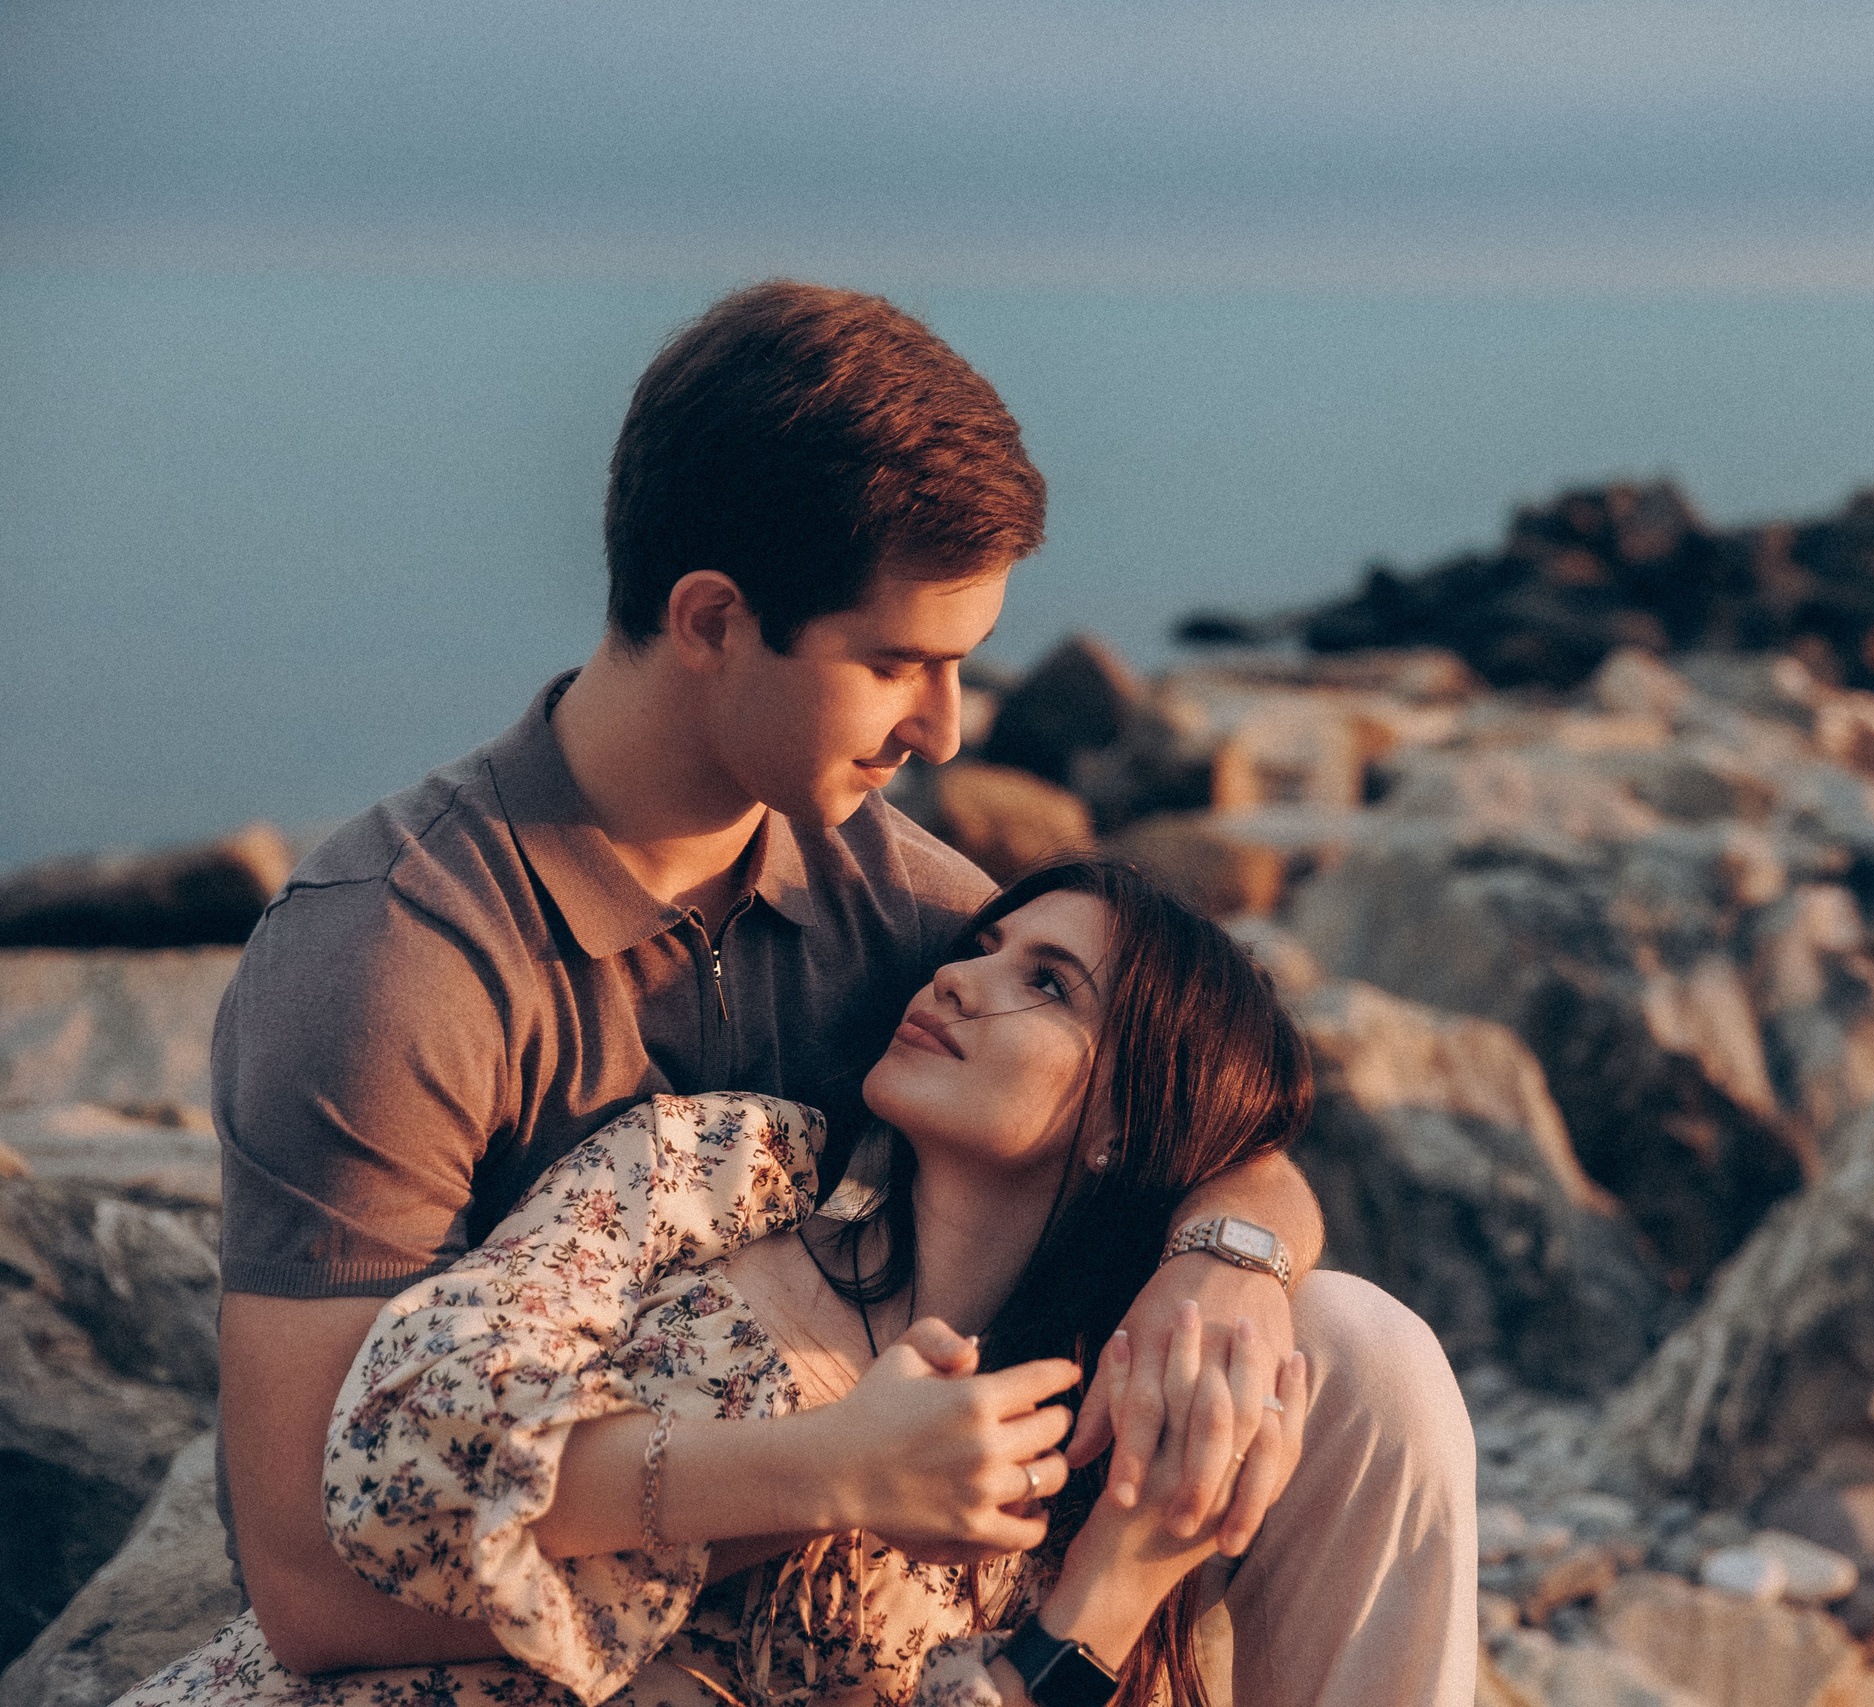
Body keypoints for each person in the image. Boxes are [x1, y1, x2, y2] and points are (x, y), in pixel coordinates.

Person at [206, 282, 1476, 1703]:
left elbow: (1204, 1106)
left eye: (960, 667)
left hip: (888, 1520)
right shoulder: (395, 962)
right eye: (898, 664)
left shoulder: (914, 913)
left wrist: (1225, 1264)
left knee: (1355, 1357)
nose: (941, 727)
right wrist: (836, 1482)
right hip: (516, 1601)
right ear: (712, 621)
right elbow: (318, 1583)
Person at [126, 857, 1474, 1707]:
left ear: (1129, 1123)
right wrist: (831, 1467)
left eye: (1047, 985)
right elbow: (391, 1454)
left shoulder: (1065, 1473)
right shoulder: (727, 1171)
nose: (963, 976)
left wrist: (1110, 1594)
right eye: (988, 944)